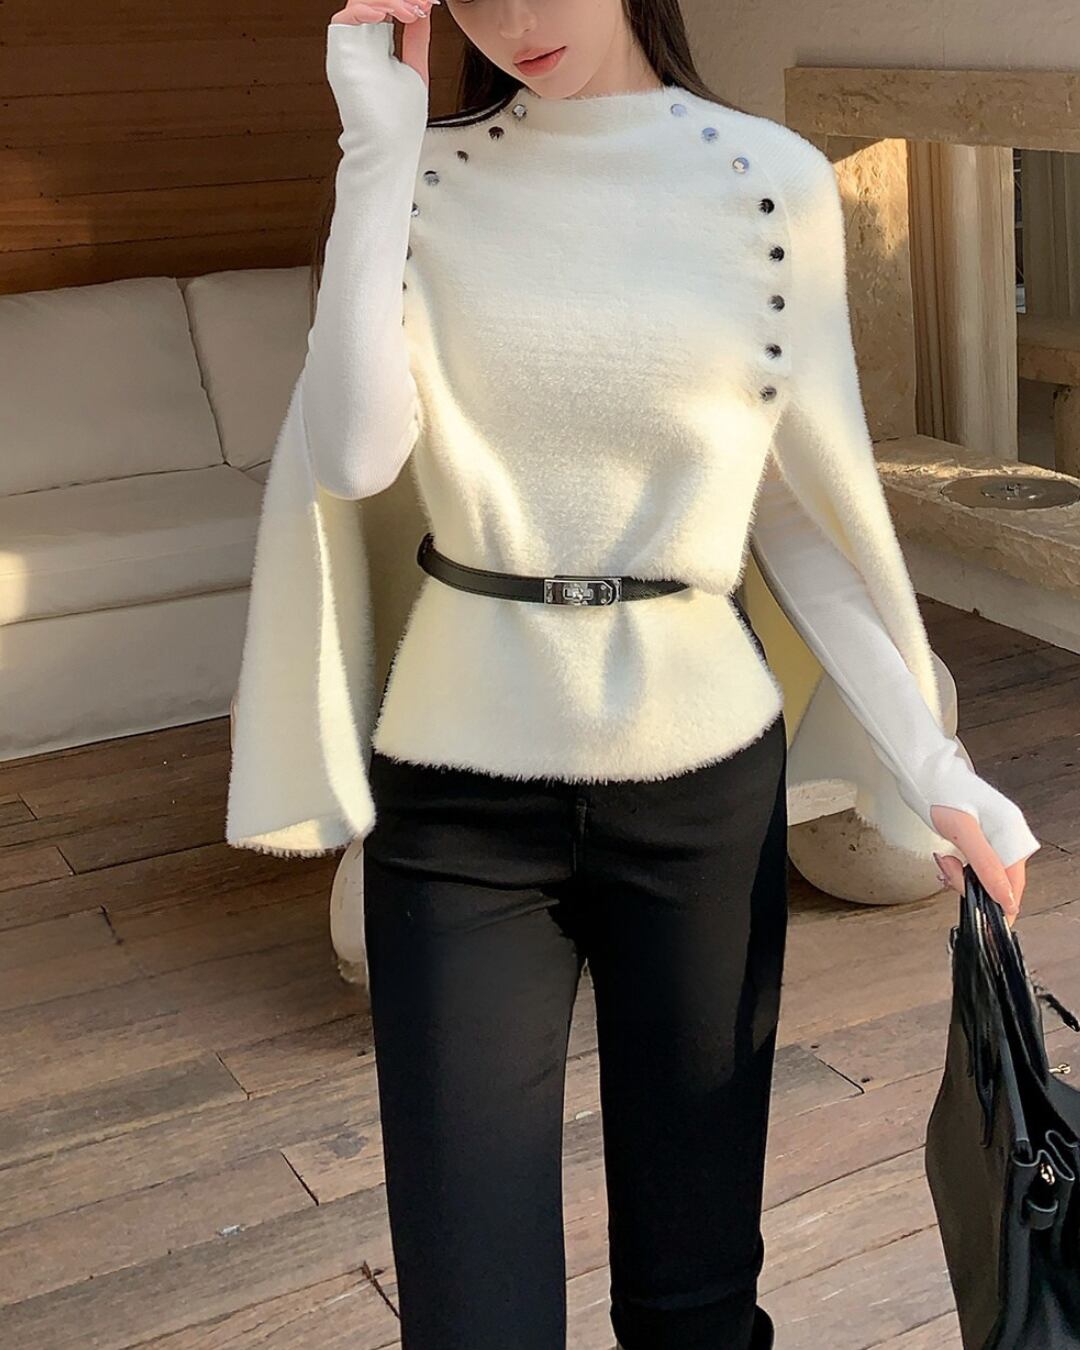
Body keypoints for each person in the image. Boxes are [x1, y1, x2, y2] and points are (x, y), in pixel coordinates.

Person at [226, 2, 1042, 1346]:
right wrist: (374, 152)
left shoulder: (771, 184)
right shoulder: (420, 178)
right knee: (469, 1313)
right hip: (457, 803)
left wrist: (934, 764)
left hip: (701, 797)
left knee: (696, 1298)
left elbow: (799, 512)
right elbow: (355, 454)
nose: (514, 19)